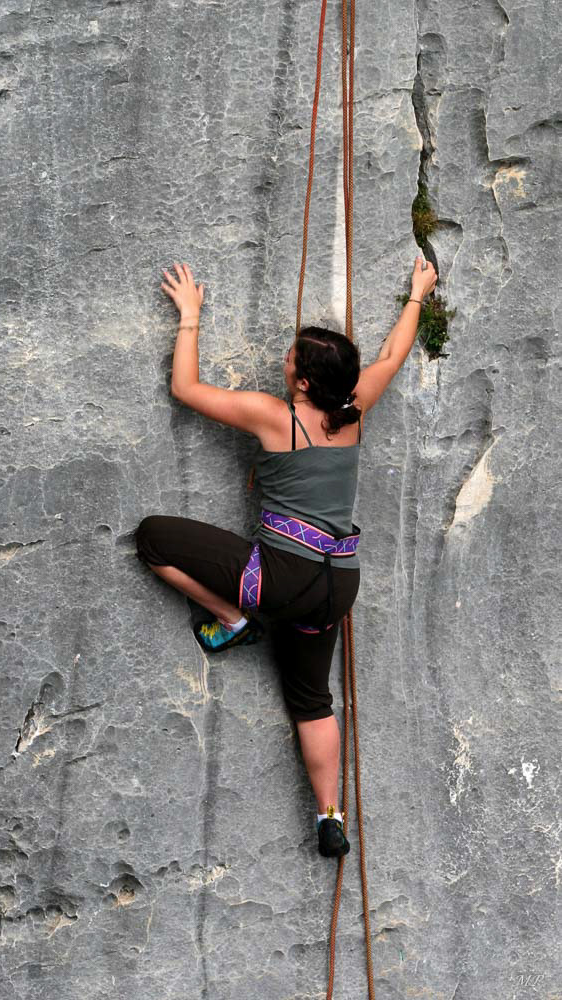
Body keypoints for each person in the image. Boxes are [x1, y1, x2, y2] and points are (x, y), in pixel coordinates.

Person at [136, 256, 438, 856]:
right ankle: (330, 815)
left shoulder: (276, 419)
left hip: (280, 578)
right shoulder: (354, 410)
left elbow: (186, 390)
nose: (284, 361)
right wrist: (417, 296)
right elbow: (391, 359)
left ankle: (231, 619)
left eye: (291, 359)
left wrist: (191, 317)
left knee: (153, 538)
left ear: (301, 382)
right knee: (311, 700)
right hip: (338, 584)